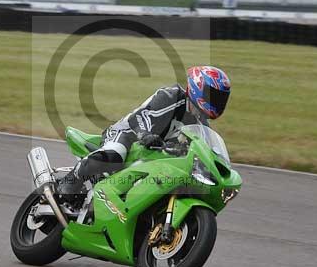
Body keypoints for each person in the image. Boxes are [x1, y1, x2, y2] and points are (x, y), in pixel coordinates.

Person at [58, 65, 231, 201]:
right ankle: (70, 181)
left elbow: (204, 151)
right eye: (214, 95)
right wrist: (145, 135)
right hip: (127, 135)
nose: (217, 101)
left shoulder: (202, 124)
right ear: (198, 88)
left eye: (220, 98)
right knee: (114, 155)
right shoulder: (171, 96)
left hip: (154, 155)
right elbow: (139, 118)